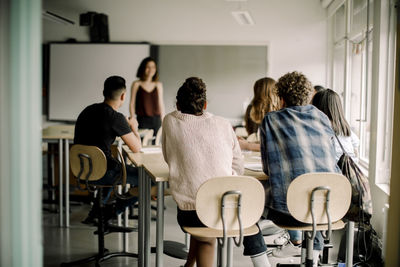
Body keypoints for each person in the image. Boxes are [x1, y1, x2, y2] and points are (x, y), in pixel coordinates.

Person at [162, 77, 270, 267]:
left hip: (191, 212)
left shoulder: (170, 121)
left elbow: (168, 155)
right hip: (226, 207)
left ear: (177, 104)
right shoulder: (223, 124)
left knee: (205, 225)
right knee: (214, 218)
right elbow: (238, 167)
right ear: (204, 104)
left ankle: (189, 265)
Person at [259, 71, 340, 266]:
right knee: (316, 198)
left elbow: (268, 168)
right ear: (308, 95)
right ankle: (313, 256)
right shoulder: (322, 117)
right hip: (329, 206)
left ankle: (261, 262)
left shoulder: (271, 119)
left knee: (246, 207)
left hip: (289, 210)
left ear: (281, 97)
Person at [74, 75, 142, 224]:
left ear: (104, 92)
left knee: (111, 164)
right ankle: (111, 210)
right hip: (104, 173)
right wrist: (133, 127)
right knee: (147, 180)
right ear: (123, 96)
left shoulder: (87, 110)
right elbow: (137, 148)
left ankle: (96, 212)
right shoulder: (116, 118)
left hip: (82, 170)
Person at [312, 88, 359, 163]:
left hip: (329, 172)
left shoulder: (315, 129)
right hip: (348, 173)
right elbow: (356, 147)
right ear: (338, 107)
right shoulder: (345, 127)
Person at [239, 77, 279, 151]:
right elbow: (265, 143)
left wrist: (247, 145)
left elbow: (274, 146)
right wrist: (247, 142)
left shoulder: (278, 117)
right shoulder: (266, 117)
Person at [129, 57, 165, 136]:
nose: (151, 69)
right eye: (148, 67)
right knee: (141, 144)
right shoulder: (136, 84)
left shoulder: (158, 85)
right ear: (143, 68)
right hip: (142, 120)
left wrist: (163, 120)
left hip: (156, 120)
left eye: (153, 67)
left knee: (155, 145)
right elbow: (132, 103)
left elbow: (161, 104)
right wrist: (133, 118)